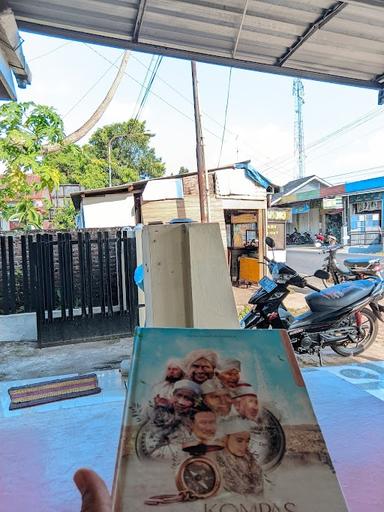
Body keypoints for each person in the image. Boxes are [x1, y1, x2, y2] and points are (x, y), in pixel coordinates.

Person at [215, 417, 263, 496]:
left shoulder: (251, 461)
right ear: (225, 439)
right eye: (239, 440)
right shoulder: (215, 461)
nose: (245, 445)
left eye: (247, 441)